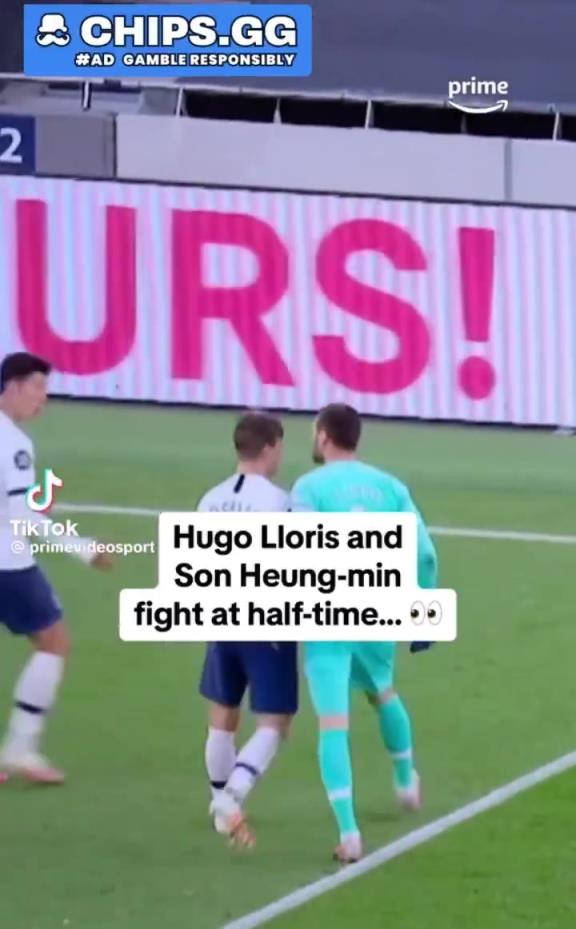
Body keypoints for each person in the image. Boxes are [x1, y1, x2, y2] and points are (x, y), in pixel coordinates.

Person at [291, 403, 438, 863]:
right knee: (382, 692)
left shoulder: (309, 487)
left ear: (323, 436)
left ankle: (349, 832)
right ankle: (405, 782)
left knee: (333, 723)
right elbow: (425, 554)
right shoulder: (390, 487)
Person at [0, 352, 112, 784]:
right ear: (12, 386)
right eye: (37, 387)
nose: (43, 397)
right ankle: (20, 748)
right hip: (8, 563)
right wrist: (84, 550)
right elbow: (22, 516)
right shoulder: (14, 443)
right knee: (53, 641)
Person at [197, 411, 296, 848]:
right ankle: (231, 797)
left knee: (223, 715)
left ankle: (219, 801)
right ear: (270, 447)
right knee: (274, 721)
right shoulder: (278, 501)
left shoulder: (210, 499)